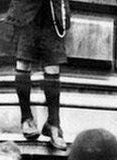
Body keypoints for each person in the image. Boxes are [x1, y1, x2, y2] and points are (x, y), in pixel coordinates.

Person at [7, 0, 70, 150]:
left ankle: (54, 125)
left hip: (53, 12)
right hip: (25, 14)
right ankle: (26, 119)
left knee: (53, 68)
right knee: (23, 64)